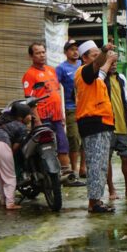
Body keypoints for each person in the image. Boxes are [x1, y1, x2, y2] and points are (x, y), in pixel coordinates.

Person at [74, 40, 117, 214]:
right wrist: (105, 52)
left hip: (102, 122)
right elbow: (99, 65)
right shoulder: (83, 72)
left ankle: (96, 199)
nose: (98, 58)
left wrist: (107, 62)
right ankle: (94, 202)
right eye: (94, 55)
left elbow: (102, 72)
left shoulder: (95, 76)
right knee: (96, 163)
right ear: (84, 58)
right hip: (93, 122)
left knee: (101, 163)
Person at [22, 42, 70, 175]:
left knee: (62, 144)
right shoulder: (30, 74)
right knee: (45, 147)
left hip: (56, 116)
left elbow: (56, 93)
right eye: (38, 53)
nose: (42, 55)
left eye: (43, 52)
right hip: (43, 117)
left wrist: (62, 116)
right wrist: (37, 120)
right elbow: (30, 100)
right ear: (31, 56)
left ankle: (66, 174)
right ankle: (48, 175)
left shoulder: (51, 70)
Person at [0, 100, 37, 211]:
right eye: (29, 115)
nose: (31, 117)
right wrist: (10, 156)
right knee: (9, 176)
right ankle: (10, 203)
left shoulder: (2, 120)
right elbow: (15, 147)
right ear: (21, 116)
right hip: (2, 144)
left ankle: (3, 201)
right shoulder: (21, 126)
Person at [105, 62, 127, 201]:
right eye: (111, 62)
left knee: (126, 157)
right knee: (106, 159)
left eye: (115, 62)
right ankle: (111, 190)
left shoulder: (121, 78)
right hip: (107, 127)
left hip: (122, 126)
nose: (113, 65)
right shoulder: (100, 78)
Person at [56, 39, 86, 183]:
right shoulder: (61, 68)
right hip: (70, 108)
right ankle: (74, 169)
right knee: (73, 138)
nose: (75, 52)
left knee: (85, 137)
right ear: (66, 52)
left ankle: (83, 168)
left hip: (85, 106)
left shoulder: (84, 65)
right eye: (72, 49)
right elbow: (55, 88)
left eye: (77, 49)